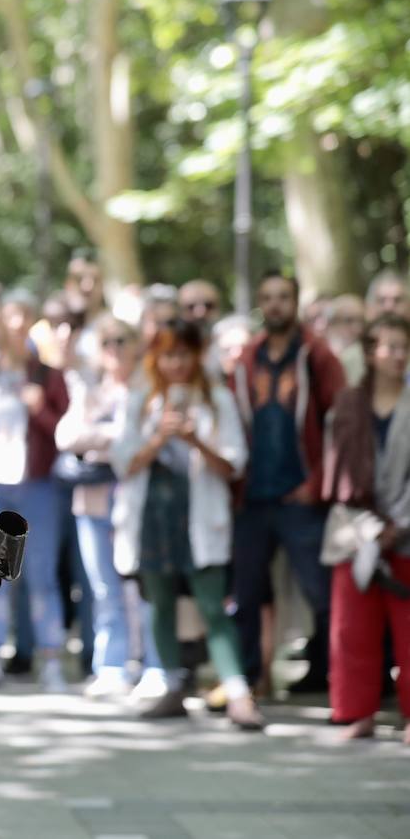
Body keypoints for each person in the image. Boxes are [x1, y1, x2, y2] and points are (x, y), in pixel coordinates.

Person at [111, 320, 261, 727]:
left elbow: (233, 465)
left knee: (212, 604)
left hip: (198, 515)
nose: (175, 363)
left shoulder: (217, 399)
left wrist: (197, 441)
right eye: (167, 354)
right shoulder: (140, 399)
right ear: (155, 358)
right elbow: (124, 462)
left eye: (183, 353)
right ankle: (174, 686)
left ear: (197, 355)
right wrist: (158, 439)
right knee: (160, 603)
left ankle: (237, 693)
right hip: (153, 517)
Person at [231, 271, 346, 694]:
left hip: (301, 495)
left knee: (323, 593)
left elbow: (342, 423)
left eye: (283, 297)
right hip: (253, 496)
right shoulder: (247, 359)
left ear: (295, 302)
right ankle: (247, 681)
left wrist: (318, 483)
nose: (276, 304)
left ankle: (335, 679)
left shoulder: (317, 356)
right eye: (268, 297)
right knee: (247, 594)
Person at [0, 289, 70, 692]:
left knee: (41, 577)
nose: (17, 325)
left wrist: (38, 407)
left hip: (36, 486)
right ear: (0, 322)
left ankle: (51, 659)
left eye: (25, 317)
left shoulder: (48, 375)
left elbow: (64, 433)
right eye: (11, 317)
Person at [55, 317, 164, 700]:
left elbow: (137, 443)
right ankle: (112, 666)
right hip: (92, 502)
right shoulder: (93, 389)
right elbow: (66, 435)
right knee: (104, 589)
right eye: (106, 343)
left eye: (121, 340)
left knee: (141, 587)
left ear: (136, 344)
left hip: (134, 500)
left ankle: (154, 664)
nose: (114, 349)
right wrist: (107, 436)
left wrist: (97, 439)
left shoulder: (148, 388)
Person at [321, 314, 410, 743]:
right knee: (351, 627)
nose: (395, 355)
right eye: (387, 346)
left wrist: (398, 525)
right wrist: (367, 528)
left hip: (406, 529)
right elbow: (335, 471)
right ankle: (357, 711)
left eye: (402, 347)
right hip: (352, 527)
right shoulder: (348, 405)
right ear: (372, 352)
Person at [323, 294, 366, 386]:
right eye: (349, 321)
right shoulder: (320, 356)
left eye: (361, 321)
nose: (358, 329)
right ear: (331, 324)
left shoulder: (367, 357)